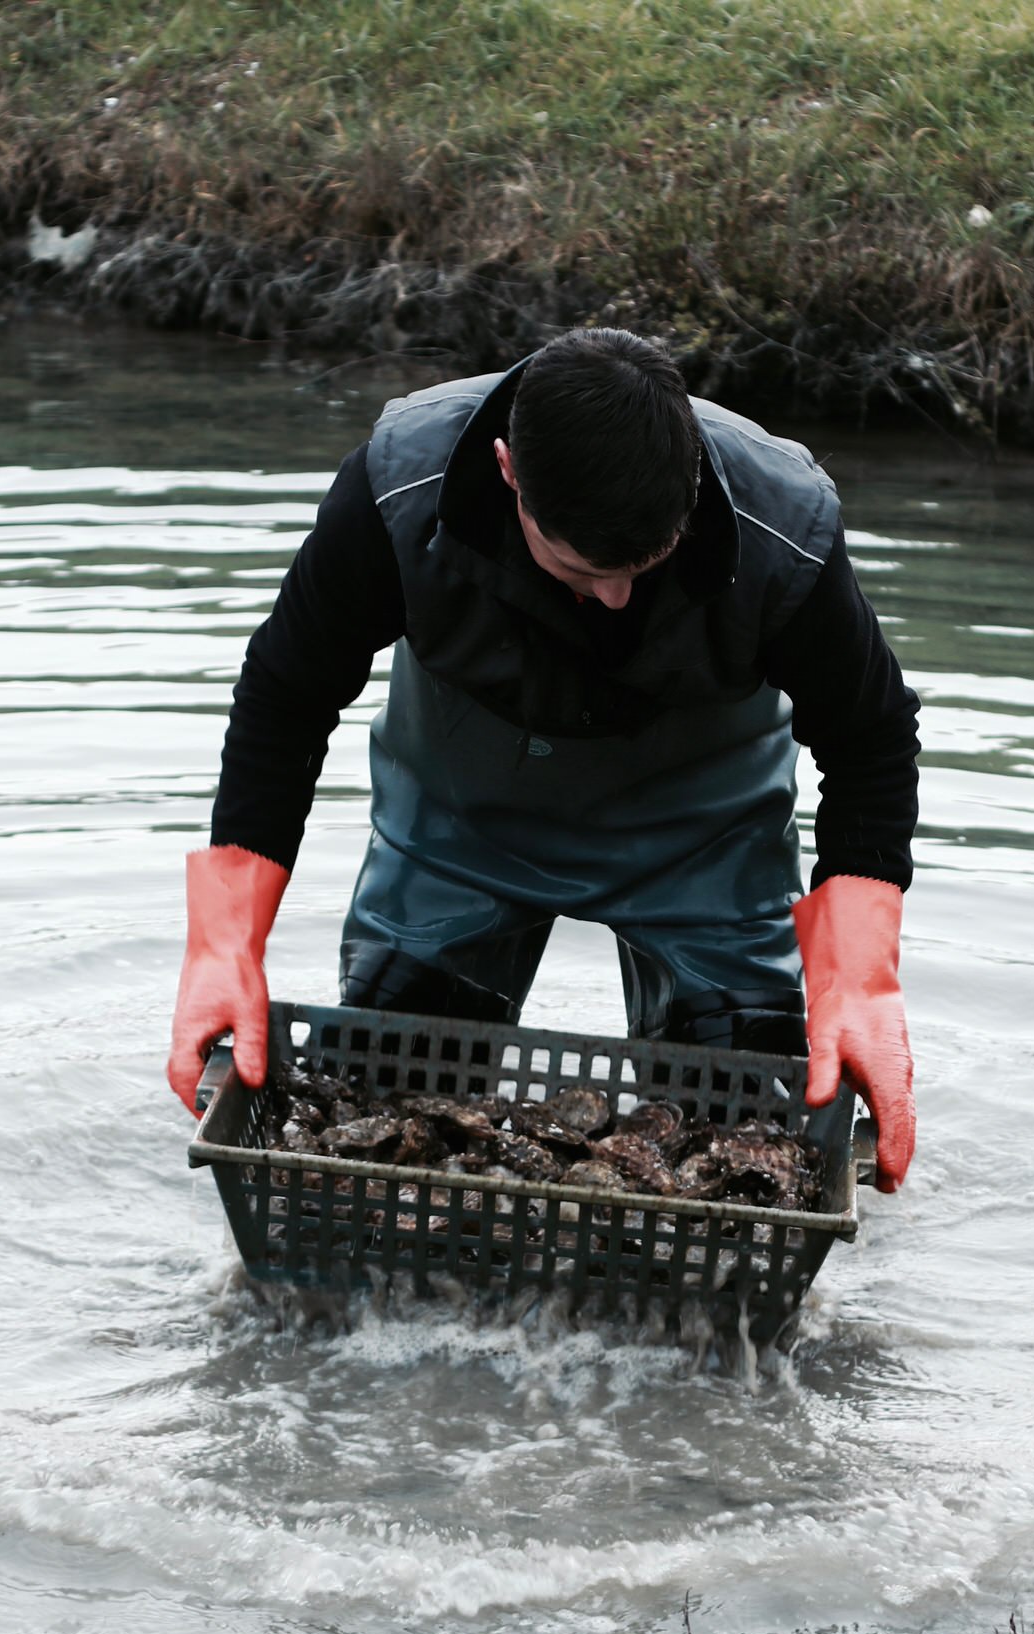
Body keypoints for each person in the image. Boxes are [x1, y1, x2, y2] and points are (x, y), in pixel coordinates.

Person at [164, 329, 922, 1190]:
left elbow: (872, 737)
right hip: (461, 825)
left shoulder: (783, 527)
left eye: (646, 566)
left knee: (747, 1146)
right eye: (581, 568)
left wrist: (859, 986)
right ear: (507, 470)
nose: (616, 599)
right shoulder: (398, 491)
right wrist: (224, 947)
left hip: (703, 837)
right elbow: (285, 692)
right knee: (379, 1129)